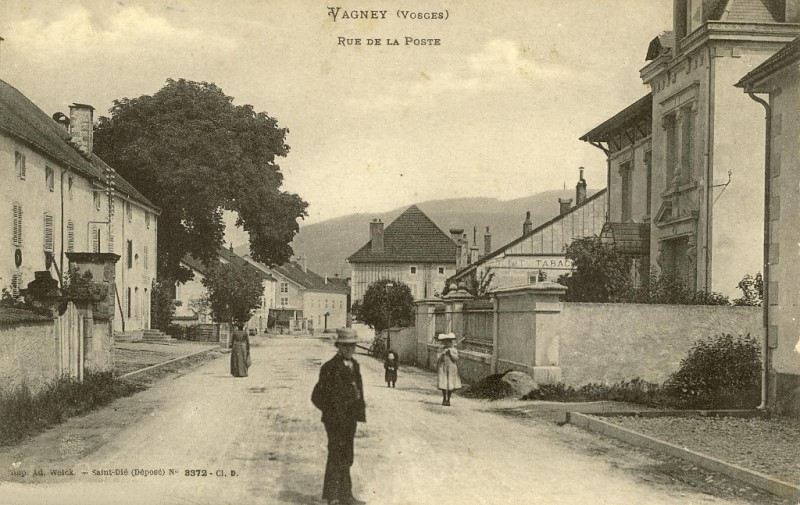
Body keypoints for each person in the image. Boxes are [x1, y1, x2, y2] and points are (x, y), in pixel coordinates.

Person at [311, 328, 367, 505]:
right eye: (346, 346)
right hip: (335, 422)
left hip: (350, 420)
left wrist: (357, 412)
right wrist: (332, 413)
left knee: (347, 456)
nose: (350, 349)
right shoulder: (330, 367)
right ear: (339, 346)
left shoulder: (354, 365)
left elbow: (357, 391)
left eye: (352, 346)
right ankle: (333, 497)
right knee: (336, 455)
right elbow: (316, 396)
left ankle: (346, 495)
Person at [437, 333, 461, 406]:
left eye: (449, 341)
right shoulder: (441, 349)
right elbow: (438, 359)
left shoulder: (454, 350)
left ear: (451, 342)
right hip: (443, 368)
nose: (447, 343)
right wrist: (443, 354)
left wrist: (451, 354)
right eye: (446, 341)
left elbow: (456, 359)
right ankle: (444, 398)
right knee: (443, 383)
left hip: (451, 369)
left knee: (450, 384)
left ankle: (448, 400)